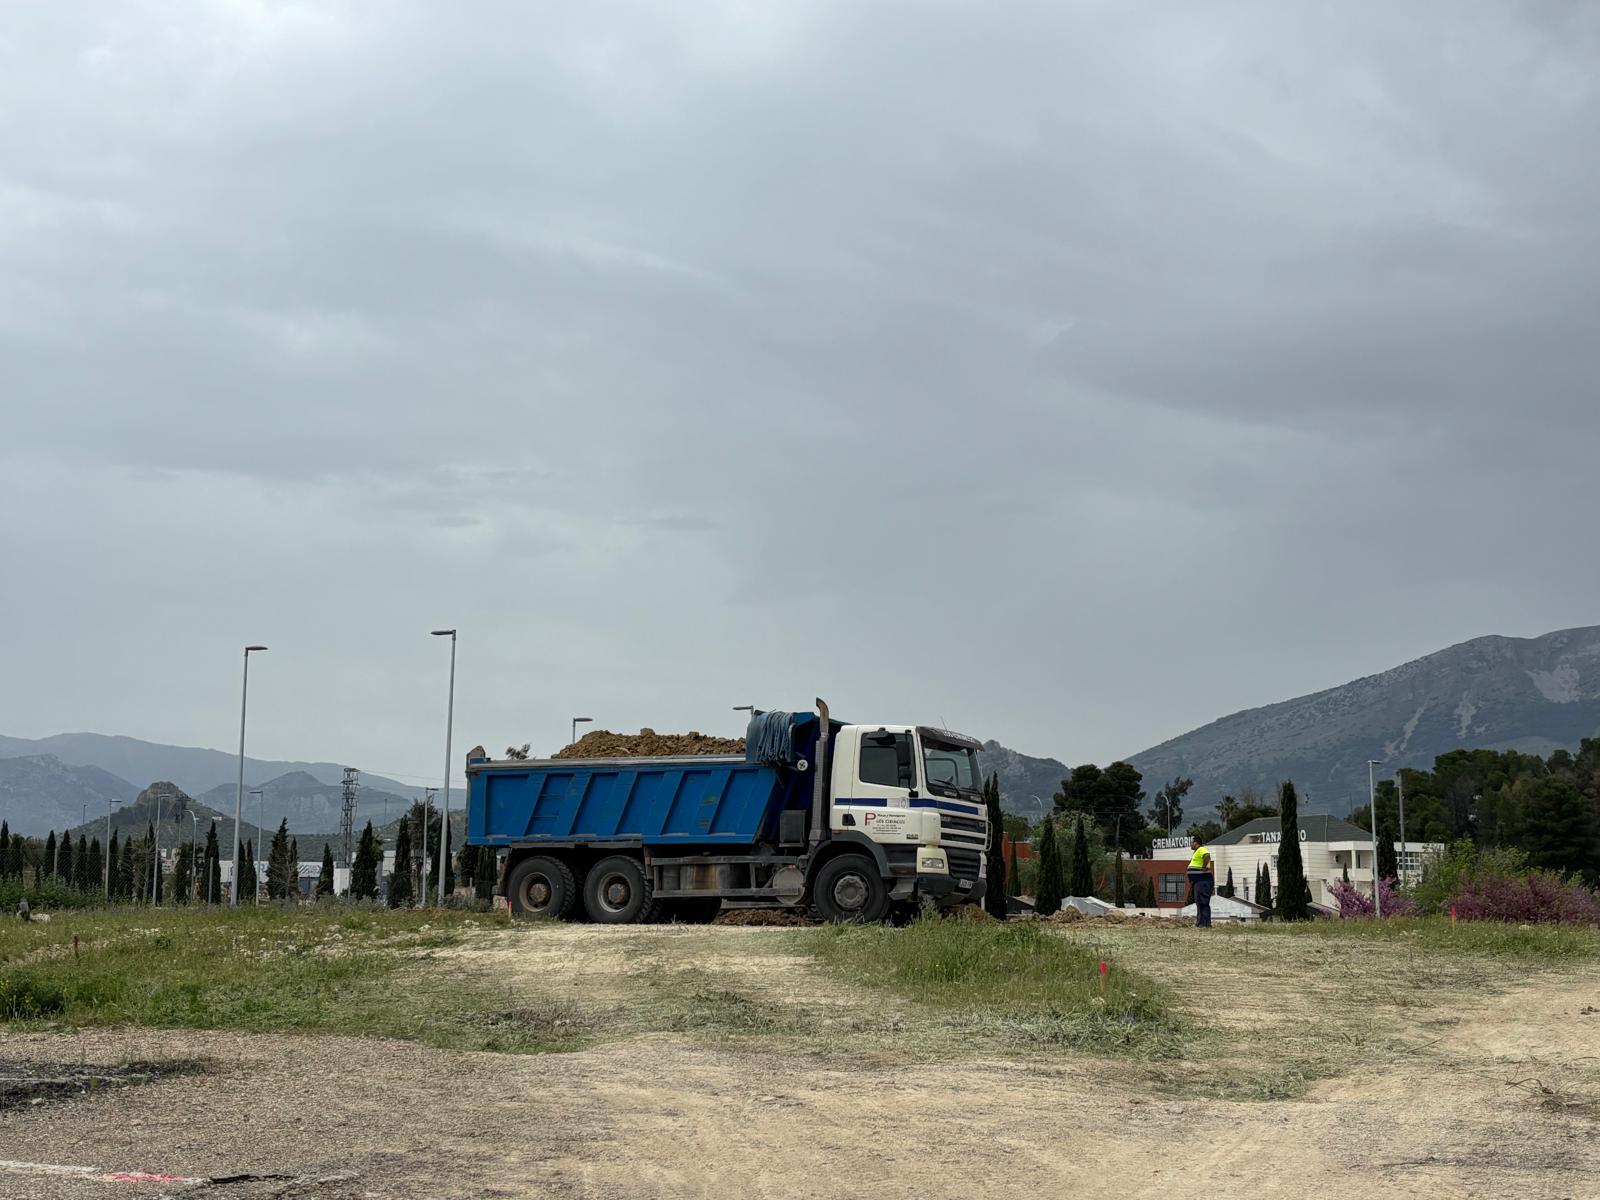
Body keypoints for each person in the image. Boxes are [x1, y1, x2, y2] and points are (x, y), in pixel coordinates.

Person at [1187, 837, 1214, 928]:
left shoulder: (1201, 849)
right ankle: (1201, 923)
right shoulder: (1196, 852)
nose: (1190, 844)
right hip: (1198, 881)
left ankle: (1203, 924)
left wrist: (1204, 866)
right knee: (1199, 901)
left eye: (1191, 842)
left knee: (1203, 902)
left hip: (1203, 880)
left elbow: (1207, 856)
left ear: (1196, 843)